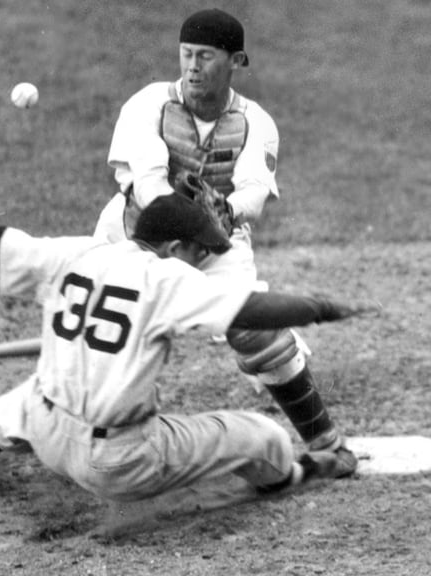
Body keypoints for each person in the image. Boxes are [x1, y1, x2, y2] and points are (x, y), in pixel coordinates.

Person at [0, 187, 378, 506]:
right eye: (201, 251)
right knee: (261, 436)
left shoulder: (77, 252)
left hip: (47, 431)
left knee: (22, 400)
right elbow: (251, 311)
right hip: (117, 463)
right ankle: (300, 472)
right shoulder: (167, 277)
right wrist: (323, 307)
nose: (202, 260)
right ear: (176, 248)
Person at [93, 8, 354, 467]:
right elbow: (150, 186)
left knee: (258, 332)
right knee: (100, 326)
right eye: (186, 54)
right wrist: (190, 211)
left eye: (205, 57)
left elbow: (254, 192)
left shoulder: (256, 122)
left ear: (236, 61)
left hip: (213, 243)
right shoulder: (148, 105)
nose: (192, 67)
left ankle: (324, 440)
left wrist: (226, 211)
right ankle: (81, 434)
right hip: (134, 236)